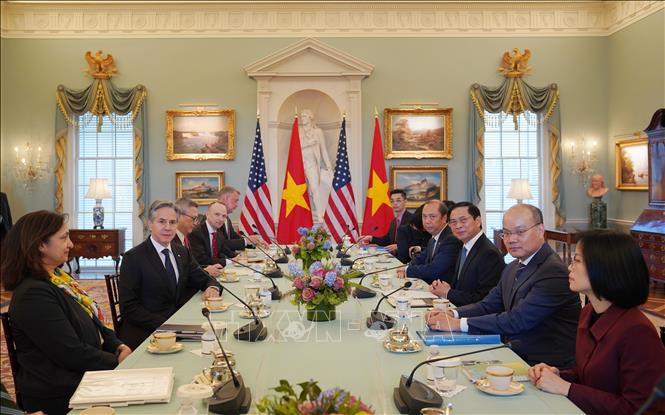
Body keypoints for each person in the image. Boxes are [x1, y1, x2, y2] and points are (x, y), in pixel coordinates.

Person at [1, 210, 131, 414]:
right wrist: (118, 362)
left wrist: (117, 346)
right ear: (40, 245)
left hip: (85, 377)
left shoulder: (59, 279)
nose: (70, 244)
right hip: (61, 392)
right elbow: (70, 353)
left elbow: (94, 320)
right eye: (63, 238)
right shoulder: (32, 294)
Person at [425, 204, 580, 367]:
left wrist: (458, 324)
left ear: (540, 230)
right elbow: (488, 305)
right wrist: (451, 313)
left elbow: (517, 320)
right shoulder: (513, 267)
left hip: (545, 366)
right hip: (512, 352)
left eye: (520, 232)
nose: (511, 239)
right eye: (506, 233)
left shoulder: (553, 271)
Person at [528, 231, 665, 415]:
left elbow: (640, 409)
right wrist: (558, 375)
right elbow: (590, 376)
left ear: (604, 268)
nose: (569, 267)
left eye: (577, 260)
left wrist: (566, 388)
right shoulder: (588, 312)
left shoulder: (637, 331)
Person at [119, 200, 222, 349]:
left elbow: (205, 279)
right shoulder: (133, 258)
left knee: (217, 340)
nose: (167, 227)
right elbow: (129, 308)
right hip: (146, 332)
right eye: (161, 222)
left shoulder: (181, 252)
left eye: (172, 222)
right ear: (150, 224)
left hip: (178, 325)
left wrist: (212, 287)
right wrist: (168, 325)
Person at [430, 202, 504, 306]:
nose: (458, 226)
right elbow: (462, 286)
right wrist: (442, 287)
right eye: (453, 222)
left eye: (463, 220)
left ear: (477, 221)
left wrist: (448, 293)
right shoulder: (465, 246)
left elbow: (485, 299)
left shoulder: (489, 253)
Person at [398, 200, 462, 284]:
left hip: (442, 287)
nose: (427, 221)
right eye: (424, 216)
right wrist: (407, 266)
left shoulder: (451, 238)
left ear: (444, 218)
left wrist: (407, 270)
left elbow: (434, 269)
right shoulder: (434, 237)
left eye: (432, 217)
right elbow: (421, 258)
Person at [174, 198, 224, 278]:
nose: (196, 223)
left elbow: (192, 267)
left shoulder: (185, 238)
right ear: (179, 216)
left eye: (196, 219)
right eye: (193, 218)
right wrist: (205, 271)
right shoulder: (170, 241)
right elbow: (179, 275)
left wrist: (207, 269)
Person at [299, 109, 333, 218]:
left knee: (315, 188)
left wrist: (329, 166)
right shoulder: (299, 131)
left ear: (310, 117)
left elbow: (323, 150)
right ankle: (301, 215)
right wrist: (308, 143)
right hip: (299, 164)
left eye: (304, 116)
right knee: (299, 189)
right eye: (301, 116)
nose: (302, 118)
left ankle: (320, 214)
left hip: (311, 164)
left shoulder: (317, 132)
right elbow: (295, 148)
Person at [189, 201, 238, 267]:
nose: (221, 219)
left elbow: (226, 251)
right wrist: (229, 261)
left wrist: (239, 257)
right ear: (207, 214)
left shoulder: (219, 233)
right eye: (217, 214)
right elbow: (201, 260)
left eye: (224, 216)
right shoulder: (196, 233)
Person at [364, 189, 412, 255]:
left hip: (406, 258)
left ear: (405, 201)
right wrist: (370, 238)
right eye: (392, 201)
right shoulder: (393, 222)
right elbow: (387, 240)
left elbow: (416, 243)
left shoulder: (412, 219)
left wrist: (399, 246)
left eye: (398, 200)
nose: (395, 203)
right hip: (393, 257)